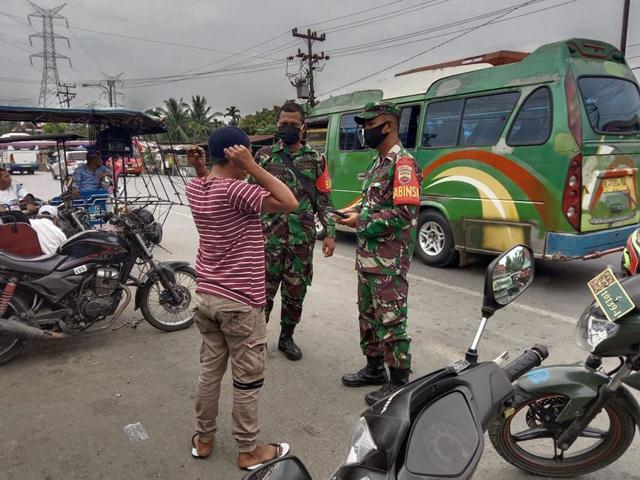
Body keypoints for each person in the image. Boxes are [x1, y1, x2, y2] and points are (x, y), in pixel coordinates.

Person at [185, 126, 298, 470]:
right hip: (239, 302)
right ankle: (248, 450)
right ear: (237, 155)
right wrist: (252, 166)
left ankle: (204, 439)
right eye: (246, 154)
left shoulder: (196, 187)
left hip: (207, 297)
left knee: (210, 373)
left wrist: (201, 168)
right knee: (247, 379)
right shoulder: (238, 190)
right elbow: (289, 202)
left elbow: (211, 184)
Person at [336, 101, 422, 406]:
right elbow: (373, 203)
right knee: (369, 316)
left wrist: (360, 222)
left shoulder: (403, 164)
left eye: (370, 125)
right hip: (369, 259)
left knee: (391, 320)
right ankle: (374, 369)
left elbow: (404, 214)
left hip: (389, 261)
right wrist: (352, 211)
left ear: (388, 126)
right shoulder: (379, 163)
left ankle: (398, 381)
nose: (365, 131)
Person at [253, 102, 336, 361]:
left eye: (293, 124)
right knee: (262, 293)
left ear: (303, 128)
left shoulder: (316, 159)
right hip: (268, 239)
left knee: (295, 293)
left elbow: (324, 200)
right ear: (278, 125)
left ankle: (286, 338)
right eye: (283, 124)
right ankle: (258, 338)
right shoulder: (264, 156)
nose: (287, 128)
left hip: (301, 241)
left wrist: (330, 233)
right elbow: (248, 195)